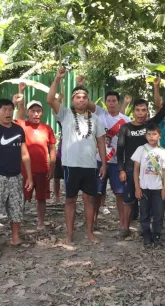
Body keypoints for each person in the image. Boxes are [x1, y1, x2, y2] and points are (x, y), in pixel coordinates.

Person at [47, 67, 106, 244]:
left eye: (84, 97)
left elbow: (101, 142)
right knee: (70, 200)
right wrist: (57, 78)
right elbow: (50, 99)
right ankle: (70, 234)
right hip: (70, 165)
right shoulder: (64, 114)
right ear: (72, 100)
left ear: (88, 100)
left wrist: (103, 163)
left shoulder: (95, 119)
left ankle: (89, 232)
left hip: (89, 166)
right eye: (78, 97)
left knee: (89, 199)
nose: (81, 100)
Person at [76, 75, 131, 229]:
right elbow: (86, 102)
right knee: (96, 193)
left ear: (118, 102)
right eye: (109, 101)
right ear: (105, 103)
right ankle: (92, 223)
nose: (112, 103)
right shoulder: (100, 113)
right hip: (99, 161)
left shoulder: (126, 120)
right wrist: (81, 85)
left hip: (117, 163)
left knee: (120, 194)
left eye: (114, 101)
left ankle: (123, 224)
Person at [0, 98, 33, 257]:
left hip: (16, 177)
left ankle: (15, 238)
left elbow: (25, 155)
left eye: (11, 110)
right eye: (4, 110)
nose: (8, 113)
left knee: (17, 209)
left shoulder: (18, 130)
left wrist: (29, 177)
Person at [117, 93, 165, 240]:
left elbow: (163, 111)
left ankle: (145, 228)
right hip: (130, 170)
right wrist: (121, 170)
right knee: (128, 201)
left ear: (147, 112)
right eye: (138, 110)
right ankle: (125, 227)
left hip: (149, 172)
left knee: (148, 200)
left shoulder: (149, 125)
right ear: (133, 111)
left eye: (143, 110)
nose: (140, 113)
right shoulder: (125, 128)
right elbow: (120, 150)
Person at [14, 82, 57, 231]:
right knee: (22, 197)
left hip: (42, 170)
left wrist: (52, 167)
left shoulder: (47, 129)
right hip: (25, 170)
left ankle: (40, 223)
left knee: (41, 198)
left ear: (42, 113)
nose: (36, 114)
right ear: (28, 113)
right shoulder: (22, 125)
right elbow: (19, 110)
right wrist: (20, 92)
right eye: (33, 111)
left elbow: (52, 148)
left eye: (39, 111)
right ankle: (19, 222)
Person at [131, 123, 165, 247]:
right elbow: (136, 169)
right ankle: (146, 235)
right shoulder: (141, 149)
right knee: (144, 213)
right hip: (144, 187)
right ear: (145, 136)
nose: (151, 137)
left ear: (159, 135)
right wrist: (137, 187)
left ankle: (156, 235)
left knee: (158, 213)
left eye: (154, 134)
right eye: (149, 134)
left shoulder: (163, 152)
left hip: (158, 188)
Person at [54, 121, 64, 205]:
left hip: (69, 158)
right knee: (56, 178)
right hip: (59, 156)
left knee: (68, 179)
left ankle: (69, 197)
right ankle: (57, 196)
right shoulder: (63, 124)